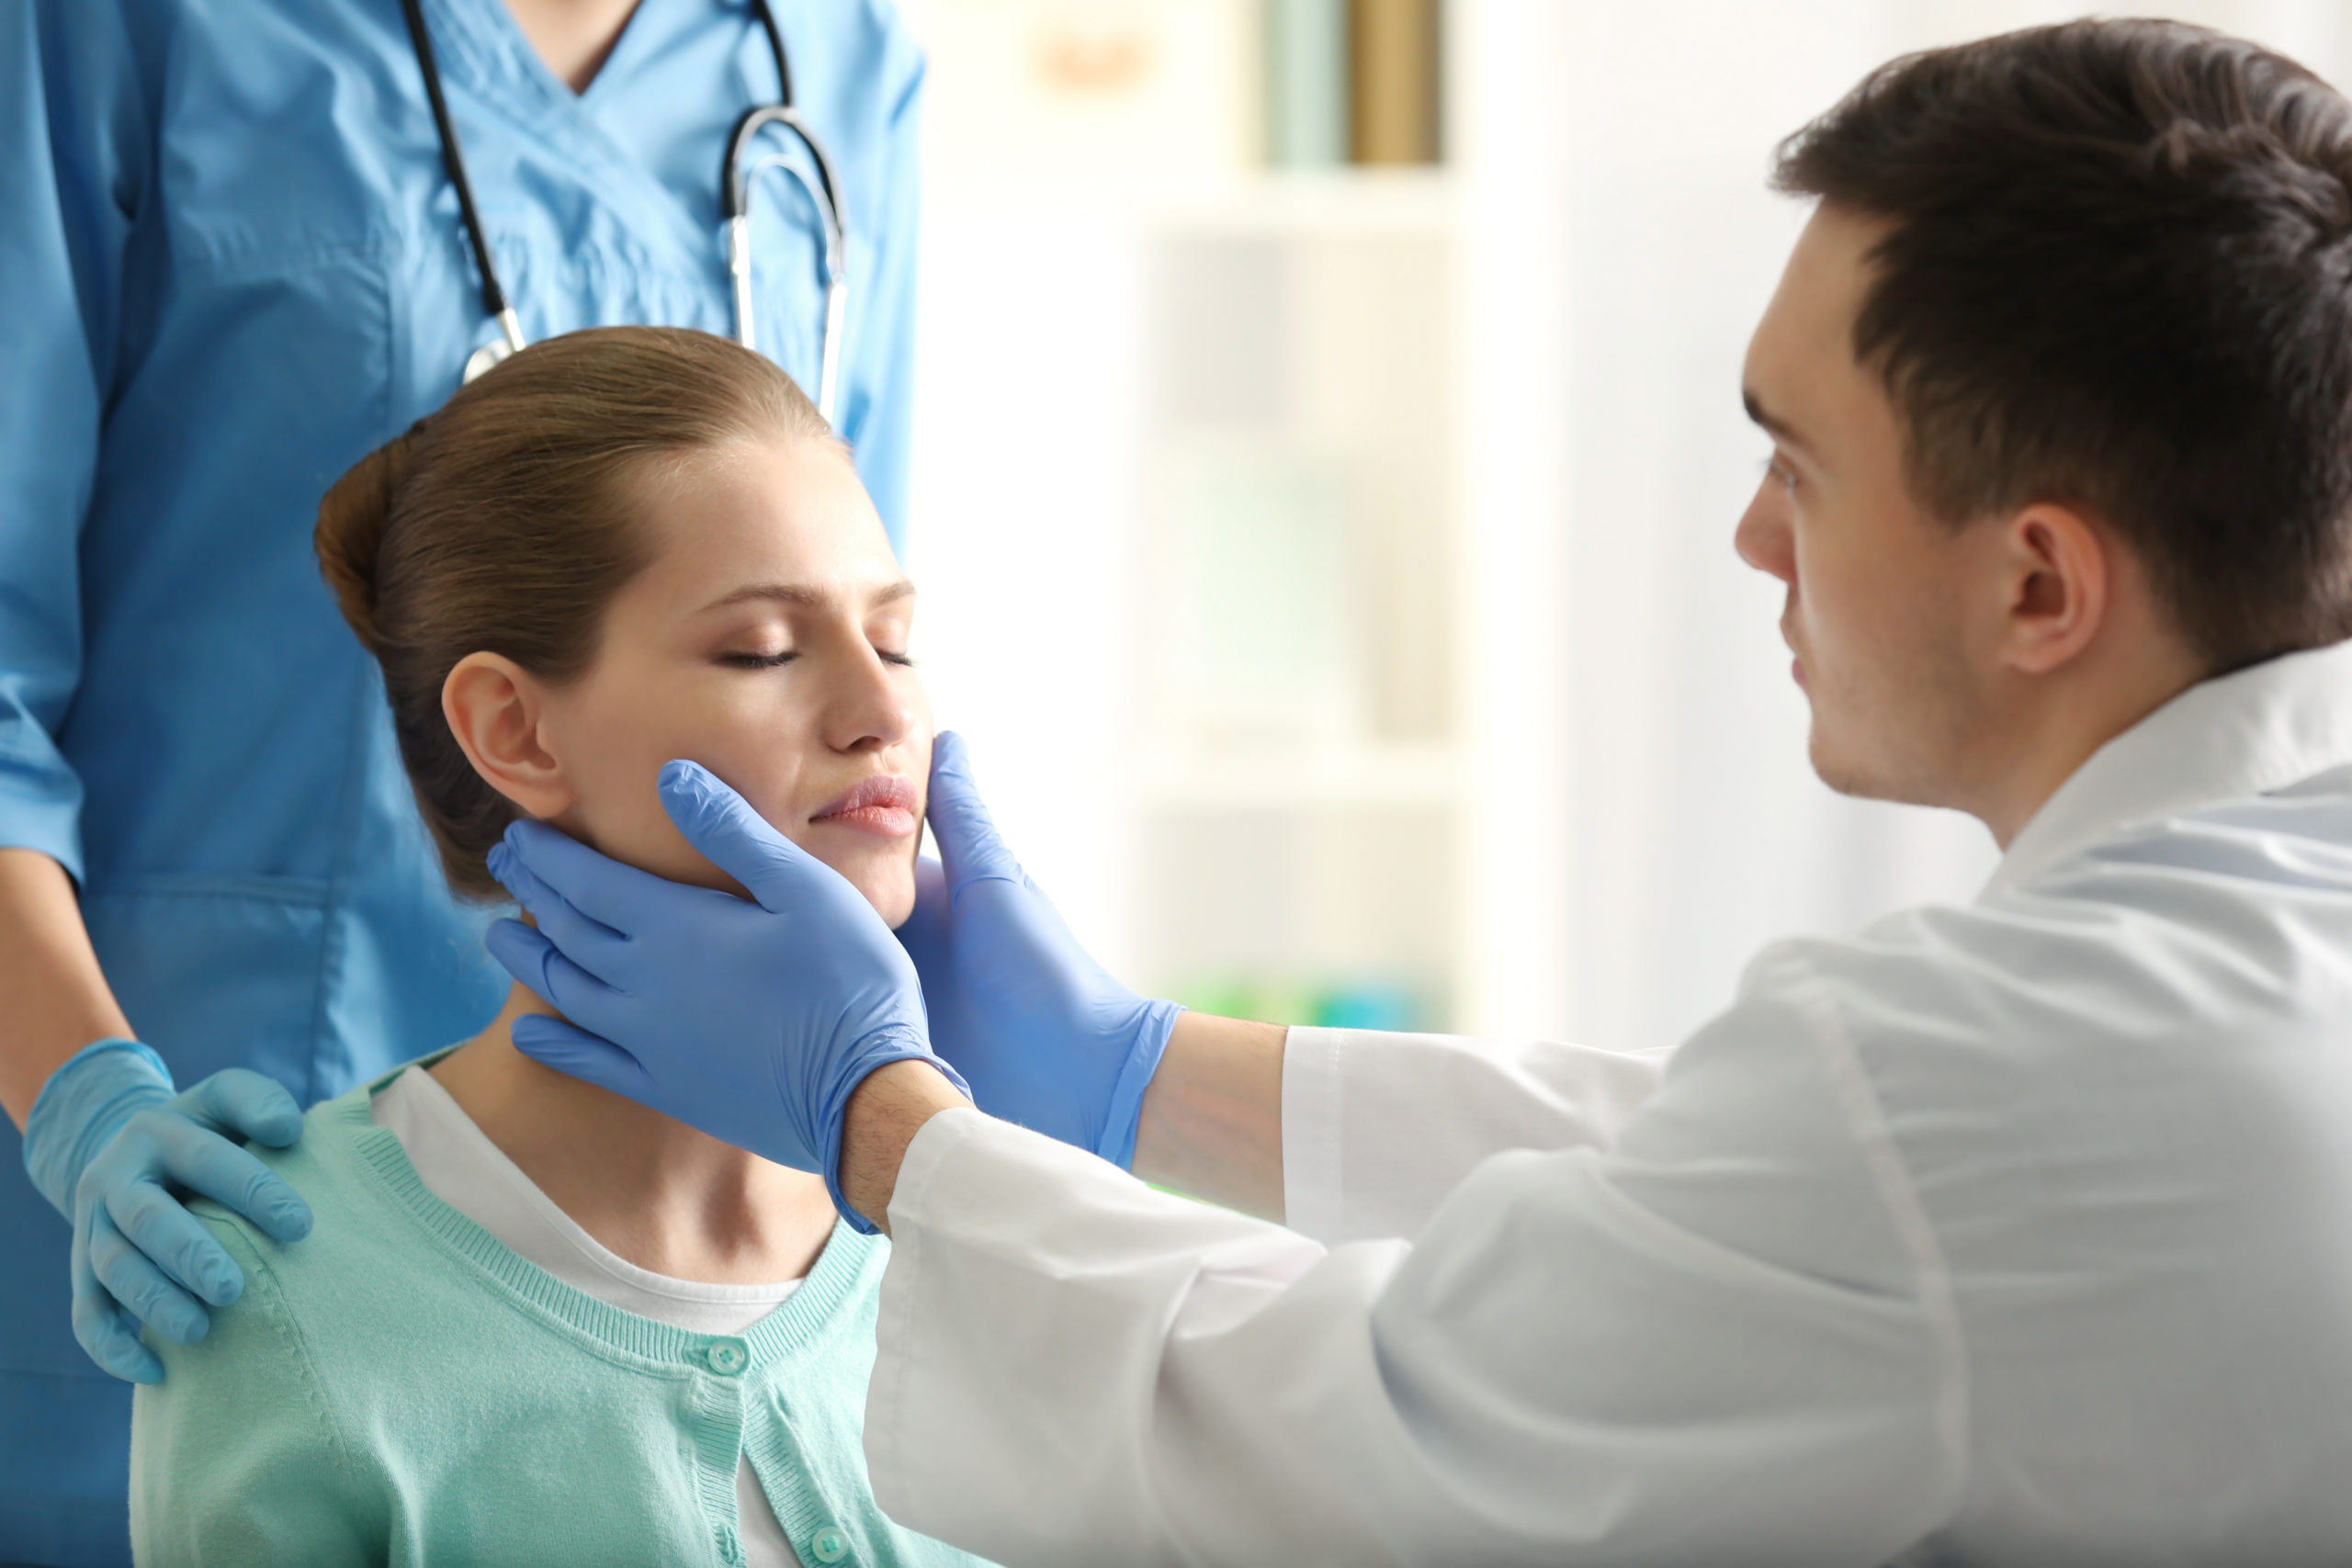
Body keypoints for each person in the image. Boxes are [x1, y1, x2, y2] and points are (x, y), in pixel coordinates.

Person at [490, 19, 2352, 1565]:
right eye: (754, 645)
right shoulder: (2217, 954)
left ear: (2036, 583)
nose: (1744, 533)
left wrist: (885, 1121)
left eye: (1798, 467)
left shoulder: (2003, 1083)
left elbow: (1359, 1436)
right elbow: (1714, 1184)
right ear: (509, 728)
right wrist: (1129, 1071)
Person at [0, 2, 921, 1562]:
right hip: (213, 1155)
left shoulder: (831, 50)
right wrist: (80, 1096)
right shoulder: (128, 33)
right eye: (758, 648)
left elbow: (853, 621)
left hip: (725, 1180)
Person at [131, 327, 981, 1568]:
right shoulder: (283, 1302)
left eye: (894, 639)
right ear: (515, 731)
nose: (884, 711)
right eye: (763, 650)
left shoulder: (990, 1222)